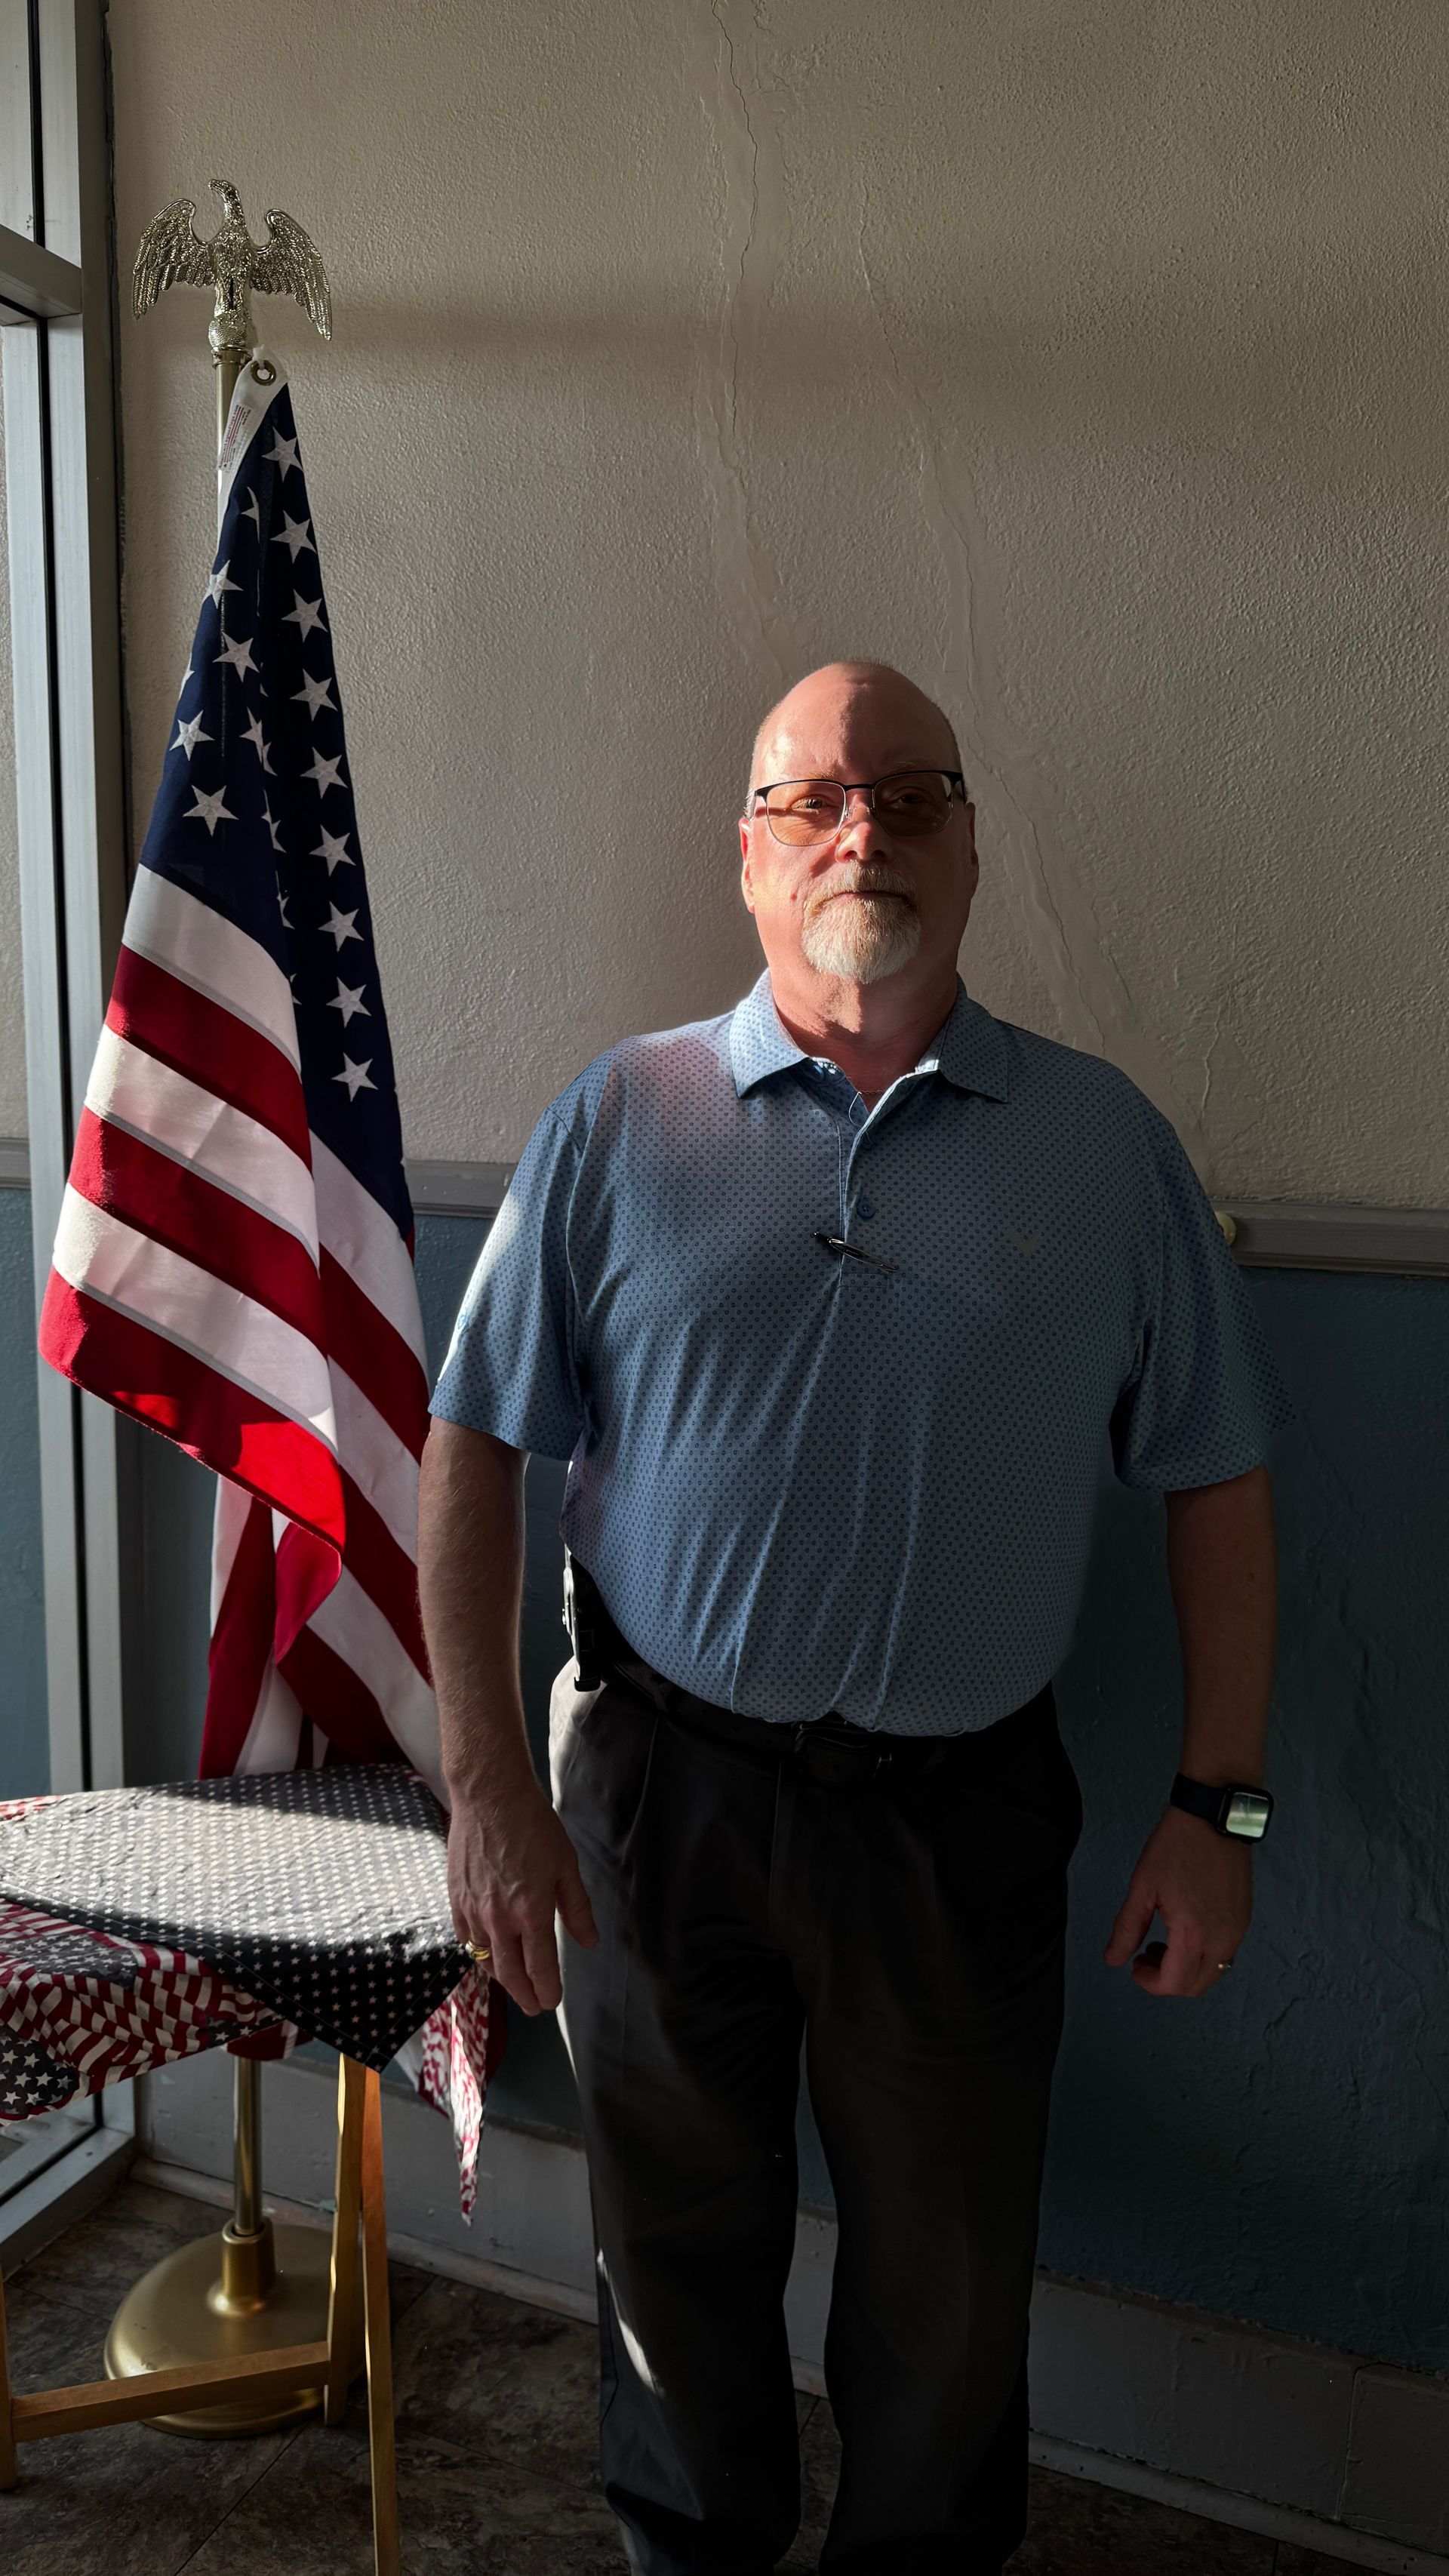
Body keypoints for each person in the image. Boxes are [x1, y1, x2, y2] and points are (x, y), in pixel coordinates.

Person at [418, 660, 1295, 2576]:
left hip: (957, 1823)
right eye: (812, 799)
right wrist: (490, 1781)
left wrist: (1219, 1810)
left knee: (951, 2315)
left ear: (972, 848)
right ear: (749, 860)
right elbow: (474, 1446)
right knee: (671, 2291)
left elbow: (1217, 1480)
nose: (861, 831)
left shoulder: (1102, 1147)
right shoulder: (617, 1123)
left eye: (909, 795)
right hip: (659, 1803)